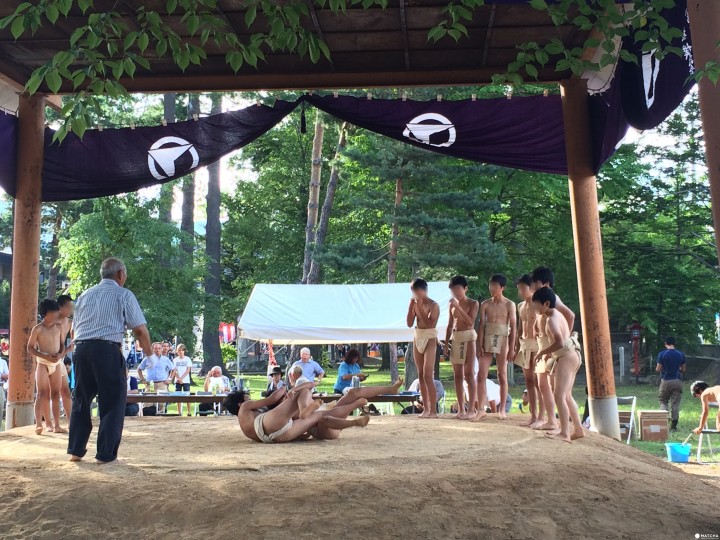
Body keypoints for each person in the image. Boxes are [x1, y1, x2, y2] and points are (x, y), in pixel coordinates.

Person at [68, 258, 152, 464]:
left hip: (81, 349)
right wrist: (149, 353)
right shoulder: (123, 294)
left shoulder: (85, 295)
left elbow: (72, 330)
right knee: (113, 402)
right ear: (120, 274)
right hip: (106, 350)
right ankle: (105, 454)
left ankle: (75, 451)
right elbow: (139, 329)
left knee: (81, 400)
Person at [533, 287, 584, 443]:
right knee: (566, 395)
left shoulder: (551, 319)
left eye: (536, 305)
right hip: (570, 354)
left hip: (567, 356)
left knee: (559, 395)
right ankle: (579, 429)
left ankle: (564, 432)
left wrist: (542, 352)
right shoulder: (558, 315)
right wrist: (550, 352)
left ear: (546, 303)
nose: (535, 308)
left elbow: (559, 341)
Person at [475, 274, 516, 421]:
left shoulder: (509, 305)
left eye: (494, 286)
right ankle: (480, 409)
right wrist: (478, 345)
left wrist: (512, 348)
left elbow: (514, 326)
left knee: (502, 375)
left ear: (502, 288)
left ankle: (502, 409)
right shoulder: (485, 304)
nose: (491, 288)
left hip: (503, 337)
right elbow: (480, 325)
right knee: (481, 374)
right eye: (490, 285)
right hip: (487, 336)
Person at [27, 299, 66, 435]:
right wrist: (45, 356)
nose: (56, 314)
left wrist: (61, 354)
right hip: (43, 362)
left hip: (56, 362)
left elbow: (62, 345)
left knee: (56, 394)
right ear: (45, 313)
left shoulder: (59, 327)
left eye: (57, 311)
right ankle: (40, 423)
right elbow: (30, 348)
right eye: (54, 312)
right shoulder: (37, 329)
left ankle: (57, 425)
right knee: (42, 394)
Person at [443, 275, 479, 420]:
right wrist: (446, 343)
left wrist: (458, 306)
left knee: (469, 374)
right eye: (453, 290)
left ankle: (471, 409)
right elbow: (450, 324)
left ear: (465, 289)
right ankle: (460, 409)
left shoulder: (473, 303)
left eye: (458, 289)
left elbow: (470, 322)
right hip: (456, 338)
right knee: (457, 375)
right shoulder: (450, 304)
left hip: (469, 337)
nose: (456, 293)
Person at [407, 278, 440, 419]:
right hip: (417, 336)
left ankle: (433, 410)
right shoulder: (413, 303)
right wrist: (411, 306)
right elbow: (409, 323)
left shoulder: (434, 305)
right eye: (413, 292)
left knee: (428, 375)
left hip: (430, 337)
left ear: (423, 291)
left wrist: (419, 307)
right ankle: (425, 408)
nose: (415, 294)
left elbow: (429, 324)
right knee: (420, 375)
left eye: (417, 291)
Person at [514, 274, 543, 427]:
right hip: (524, 344)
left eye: (523, 288)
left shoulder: (537, 303)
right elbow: (520, 327)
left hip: (537, 344)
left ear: (530, 288)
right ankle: (534, 415)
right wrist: (516, 346)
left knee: (539, 382)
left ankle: (542, 416)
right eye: (518, 288)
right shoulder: (520, 306)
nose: (520, 291)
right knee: (529, 381)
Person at [656, 336, 686, 432]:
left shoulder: (662, 354)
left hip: (665, 381)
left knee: (663, 401)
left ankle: (664, 420)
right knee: (675, 403)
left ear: (665, 343)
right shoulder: (681, 354)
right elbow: (683, 369)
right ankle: (674, 424)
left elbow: (658, 368)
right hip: (677, 381)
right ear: (674, 343)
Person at [56, 294, 75, 423]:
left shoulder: (70, 323)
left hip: (60, 360)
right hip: (45, 359)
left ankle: (71, 421)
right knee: (45, 393)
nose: (71, 310)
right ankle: (48, 423)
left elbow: (74, 342)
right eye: (69, 307)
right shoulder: (51, 321)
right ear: (60, 307)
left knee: (65, 391)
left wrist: (65, 351)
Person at [173, 344, 192, 416]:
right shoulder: (175, 360)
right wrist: (178, 378)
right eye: (179, 350)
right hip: (177, 380)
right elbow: (174, 370)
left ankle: (189, 412)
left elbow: (188, 370)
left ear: (184, 351)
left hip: (186, 380)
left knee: (187, 396)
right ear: (177, 351)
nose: (181, 352)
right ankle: (179, 412)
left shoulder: (187, 359)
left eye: (182, 350)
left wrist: (182, 378)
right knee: (178, 396)